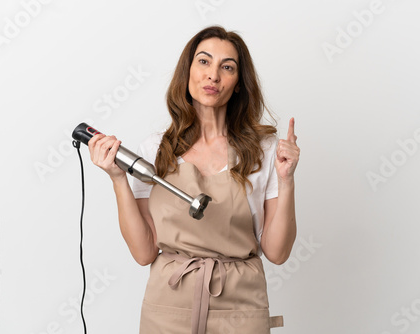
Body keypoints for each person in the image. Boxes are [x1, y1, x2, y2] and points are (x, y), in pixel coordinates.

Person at [88, 26, 300, 334]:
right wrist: (118, 179)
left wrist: (287, 181)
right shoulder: (155, 150)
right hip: (168, 306)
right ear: (187, 73)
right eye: (204, 61)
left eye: (227, 67)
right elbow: (144, 252)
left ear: (238, 83)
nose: (213, 75)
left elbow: (278, 253)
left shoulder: (264, 152)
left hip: (241, 307)